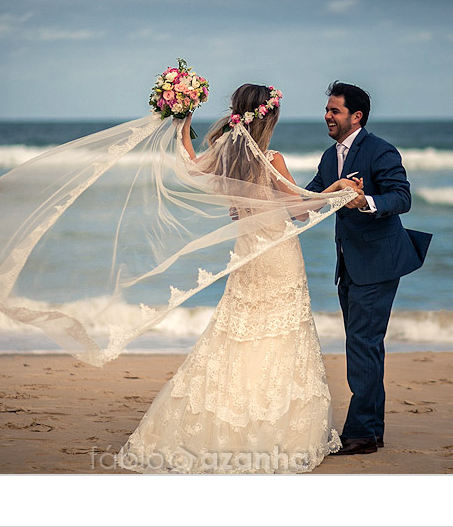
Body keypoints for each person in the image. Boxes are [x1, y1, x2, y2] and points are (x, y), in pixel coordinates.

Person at [116, 84, 361, 473]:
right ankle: (272, 426)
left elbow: (187, 161)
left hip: (248, 258)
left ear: (238, 116)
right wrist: (338, 189)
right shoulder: (271, 159)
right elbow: (298, 210)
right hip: (278, 258)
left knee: (236, 333)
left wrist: (184, 119)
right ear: (268, 117)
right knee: (282, 336)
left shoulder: (225, 158)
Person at [305, 81, 431, 455]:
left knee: (362, 344)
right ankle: (371, 430)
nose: (327, 116)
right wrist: (262, 200)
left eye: (335, 110)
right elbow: (310, 198)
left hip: (378, 263)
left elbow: (402, 198)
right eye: (327, 109)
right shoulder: (330, 158)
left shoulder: (380, 151)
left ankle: (360, 433)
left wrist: (365, 201)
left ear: (356, 116)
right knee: (367, 346)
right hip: (350, 264)